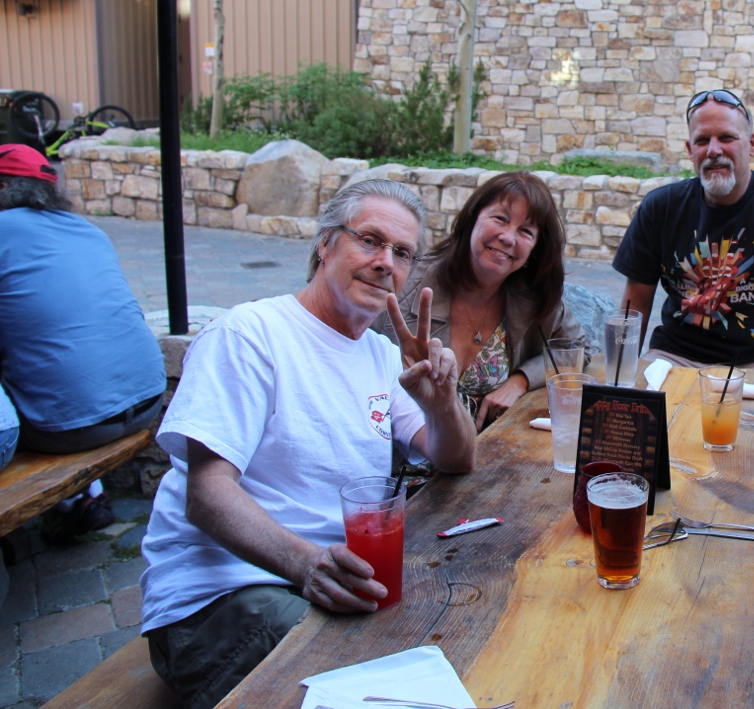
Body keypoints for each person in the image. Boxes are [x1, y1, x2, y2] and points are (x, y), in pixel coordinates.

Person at [140, 179, 476, 709]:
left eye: (403, 252)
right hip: (226, 596)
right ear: (325, 243)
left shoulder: (382, 356)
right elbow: (206, 492)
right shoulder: (251, 333)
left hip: (328, 579)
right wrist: (305, 564)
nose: (385, 261)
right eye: (369, 240)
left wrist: (442, 403)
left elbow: (455, 459)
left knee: (461, 636)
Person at [612, 89, 754, 371]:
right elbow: (634, 304)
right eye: (702, 141)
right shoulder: (660, 208)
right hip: (674, 357)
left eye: (726, 138)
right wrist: (620, 380)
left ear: (752, 144)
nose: (713, 150)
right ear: (689, 151)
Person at [0, 144, 165, 536]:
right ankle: (86, 495)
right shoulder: (89, 231)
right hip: (148, 400)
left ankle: (76, 499)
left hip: (69, 428)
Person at [373, 171, 585, 431]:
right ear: (473, 218)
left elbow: (577, 351)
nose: (508, 237)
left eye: (525, 231)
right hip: (404, 458)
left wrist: (521, 380)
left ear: (534, 250)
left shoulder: (534, 296)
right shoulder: (406, 280)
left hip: (488, 457)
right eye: (500, 219)